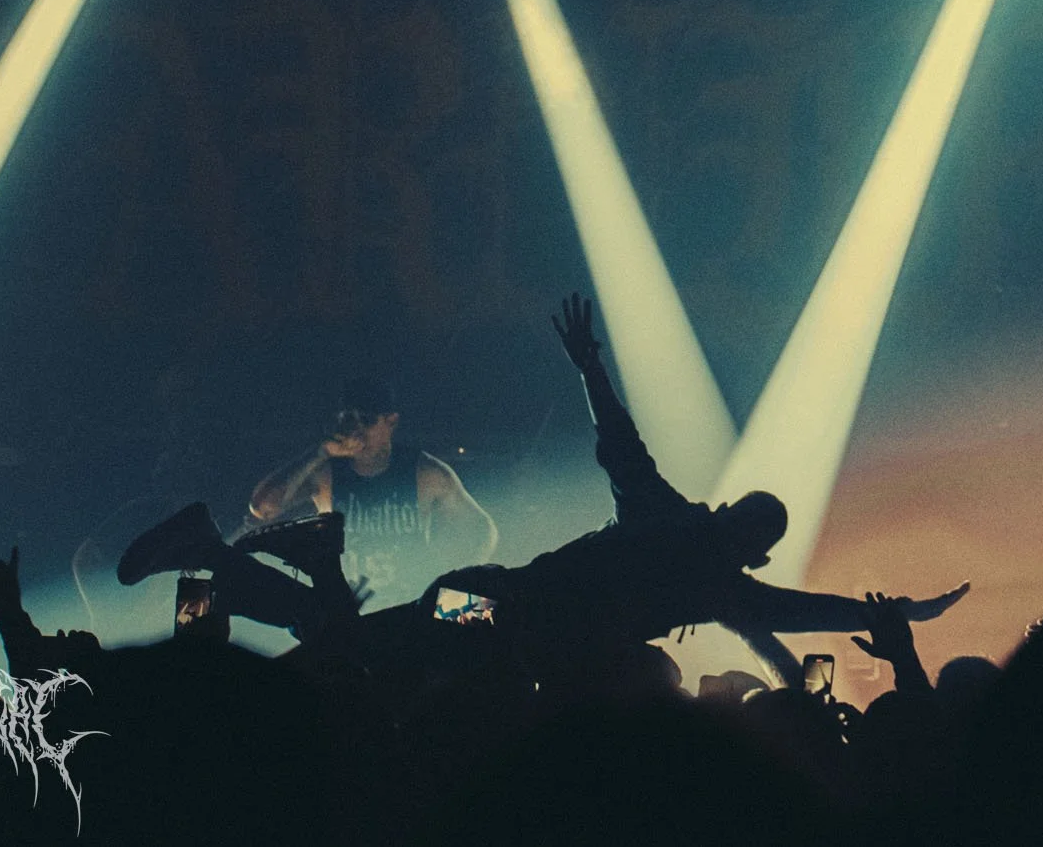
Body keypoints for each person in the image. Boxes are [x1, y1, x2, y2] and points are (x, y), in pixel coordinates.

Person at [426, 294, 969, 686]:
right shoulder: (706, 569)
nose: (732, 530)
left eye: (744, 528)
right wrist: (900, 616)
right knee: (437, 621)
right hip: (521, 625)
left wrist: (592, 368)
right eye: (742, 522)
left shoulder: (706, 571)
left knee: (438, 627)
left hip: (527, 631)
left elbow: (620, 440)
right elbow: (620, 440)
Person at [246, 376, 498, 609]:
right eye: (347, 420)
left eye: (366, 420)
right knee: (303, 620)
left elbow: (482, 530)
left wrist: (452, 584)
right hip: (349, 609)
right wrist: (319, 453)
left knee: (487, 614)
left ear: (391, 422)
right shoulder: (326, 473)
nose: (356, 431)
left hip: (412, 605)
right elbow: (263, 508)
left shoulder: (426, 472)